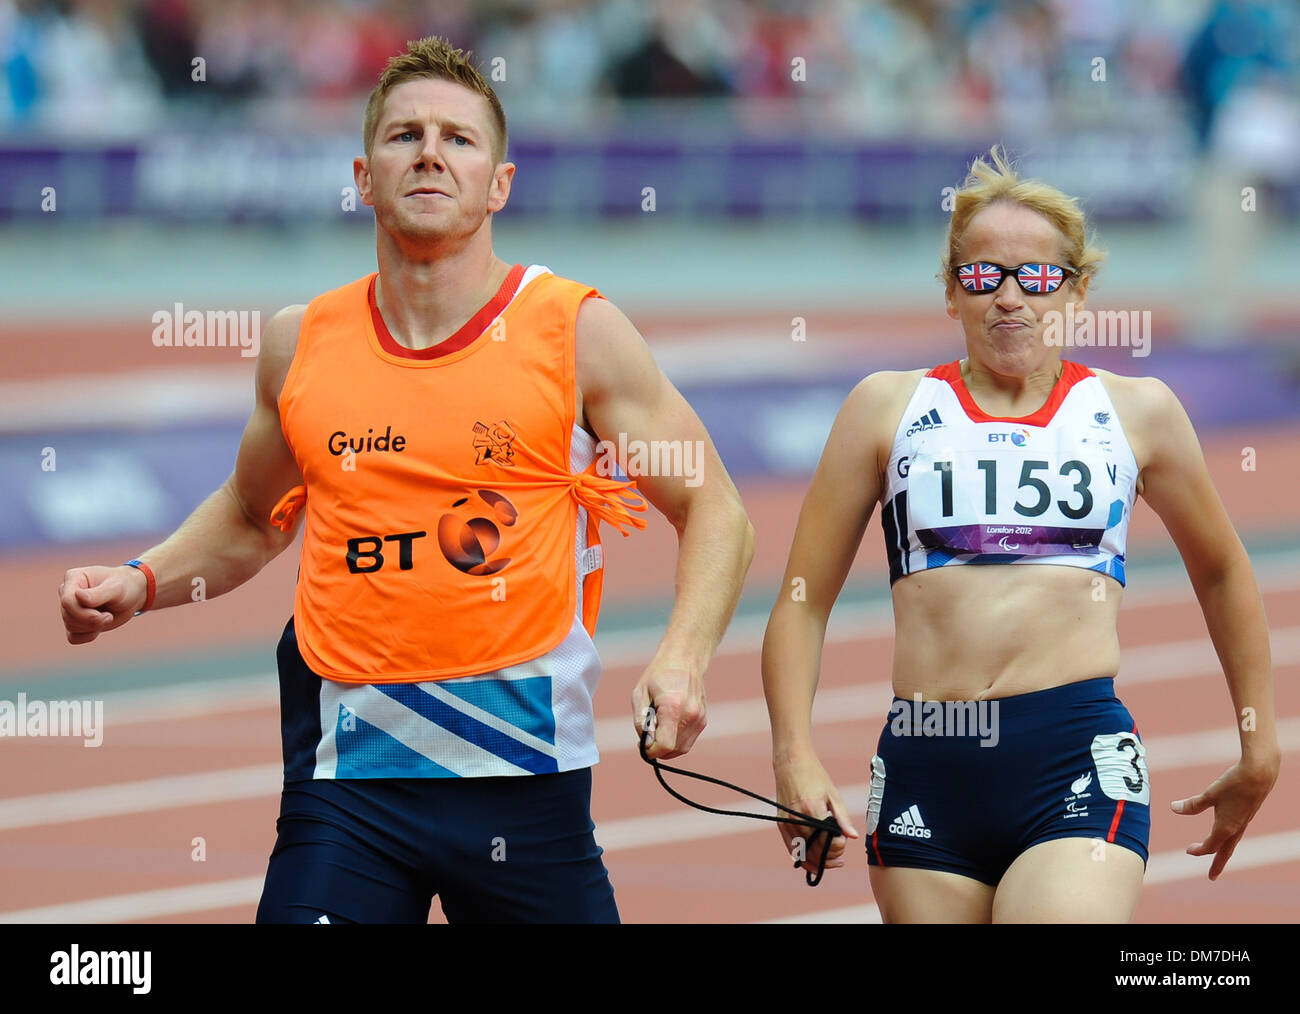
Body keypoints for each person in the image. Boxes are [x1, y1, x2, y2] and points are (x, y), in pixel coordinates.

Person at [57, 36, 754, 924]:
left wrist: (683, 660)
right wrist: (142, 579)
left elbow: (715, 508)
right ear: (363, 175)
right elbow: (253, 511)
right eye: (405, 135)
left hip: (526, 788)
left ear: (500, 183)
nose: (430, 151)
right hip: (348, 789)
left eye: (459, 139)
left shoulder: (575, 332)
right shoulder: (298, 341)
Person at [761, 146, 1279, 923]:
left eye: (1036, 277)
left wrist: (1259, 741)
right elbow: (802, 600)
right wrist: (793, 757)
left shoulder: (1139, 413)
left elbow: (1224, 572)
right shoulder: (883, 410)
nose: (1011, 299)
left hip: (1072, 757)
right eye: (984, 276)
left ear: (1075, 291)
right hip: (925, 762)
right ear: (951, 290)